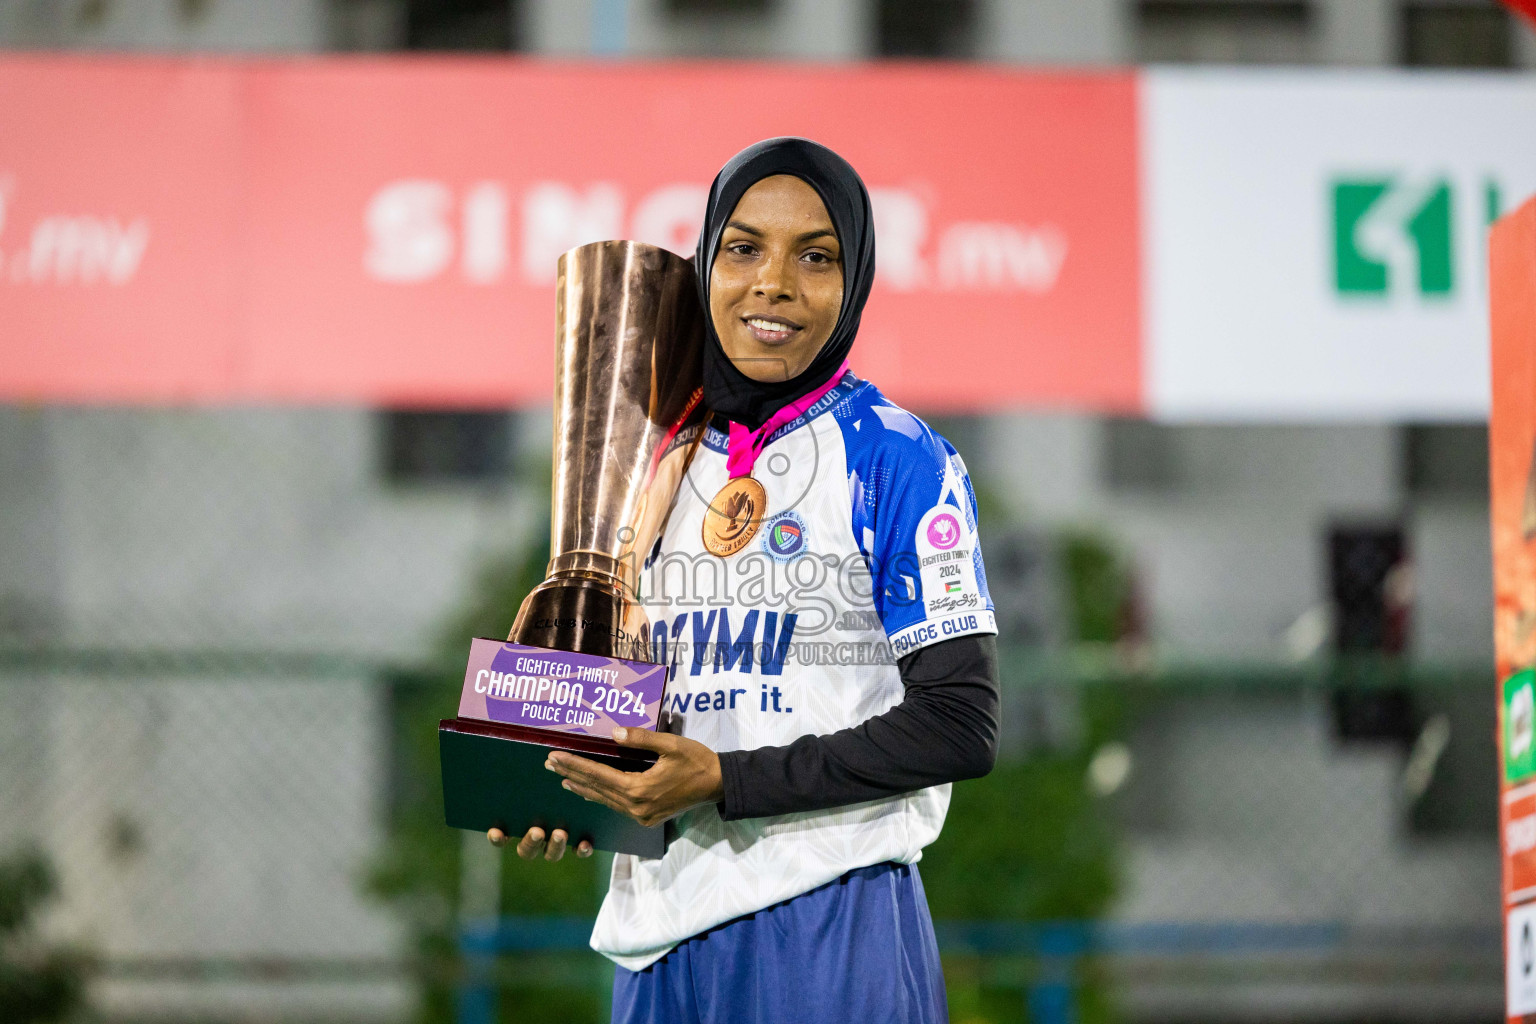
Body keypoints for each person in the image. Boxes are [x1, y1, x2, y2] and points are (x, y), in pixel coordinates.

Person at [488, 137, 1000, 1024]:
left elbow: (961, 725)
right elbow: (630, 704)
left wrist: (724, 779)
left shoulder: (897, 456)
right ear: (706, 266)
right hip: (657, 931)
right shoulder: (648, 459)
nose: (774, 282)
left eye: (816, 256)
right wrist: (557, 780)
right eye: (743, 248)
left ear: (856, 284)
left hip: (831, 920)